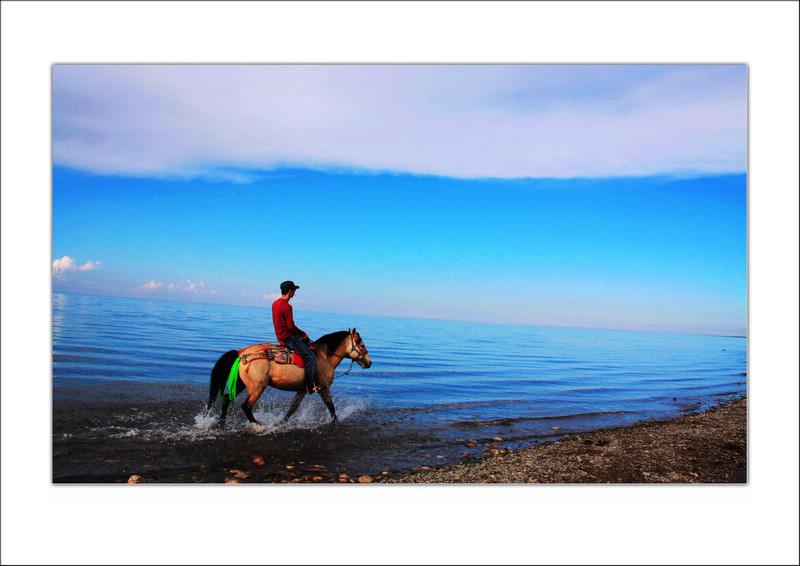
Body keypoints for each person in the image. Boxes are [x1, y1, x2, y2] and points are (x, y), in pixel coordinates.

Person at [272, 280, 317, 394]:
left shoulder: (275, 304)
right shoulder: (287, 306)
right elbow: (290, 326)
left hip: (280, 336)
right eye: (294, 290)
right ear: (290, 291)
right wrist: (303, 334)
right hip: (287, 337)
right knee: (311, 357)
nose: (294, 293)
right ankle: (309, 386)